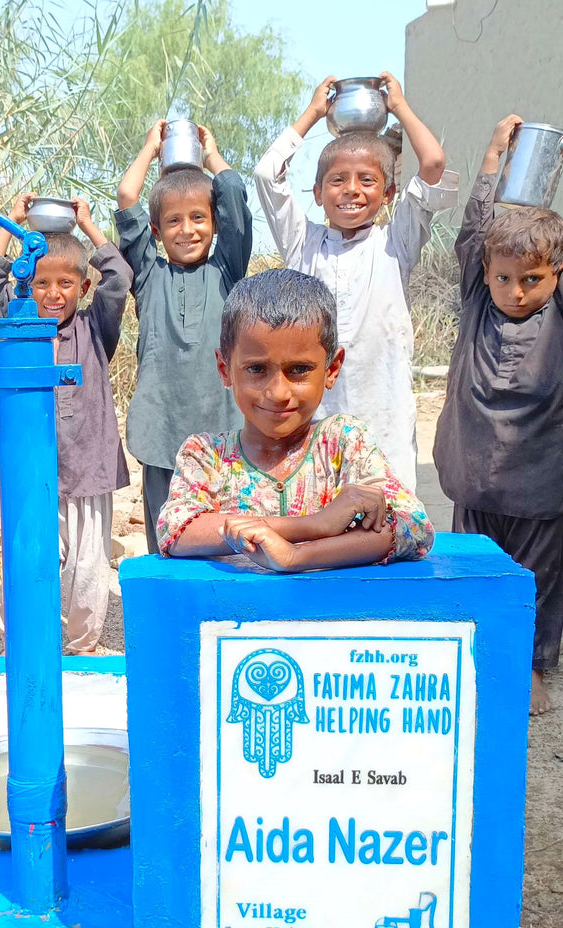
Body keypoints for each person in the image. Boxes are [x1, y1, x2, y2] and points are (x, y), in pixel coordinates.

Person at [434, 116, 563, 717]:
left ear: (558, 276)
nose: (518, 290)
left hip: (536, 480)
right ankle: (475, 653)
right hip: (475, 473)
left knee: (534, 575)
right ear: (484, 274)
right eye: (504, 277)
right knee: (472, 567)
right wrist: (494, 151)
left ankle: (528, 666)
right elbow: (478, 224)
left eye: (533, 278)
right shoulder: (478, 298)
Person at [254, 72, 457, 490]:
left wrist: (398, 107)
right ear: (317, 191)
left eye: (367, 180)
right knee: (321, 521)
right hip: (315, 419)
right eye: (337, 180)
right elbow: (266, 173)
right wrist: (313, 113)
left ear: (388, 194)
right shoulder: (304, 244)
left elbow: (434, 165)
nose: (351, 190)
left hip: (383, 416)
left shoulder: (394, 243)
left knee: (385, 523)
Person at [158, 269, 434, 571]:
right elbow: (176, 529)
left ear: (331, 369)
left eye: (299, 369)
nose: (278, 393)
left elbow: (413, 526)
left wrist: (295, 558)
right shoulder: (207, 455)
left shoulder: (343, 443)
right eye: (256, 370)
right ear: (225, 369)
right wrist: (316, 525)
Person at [0, 195, 132, 653]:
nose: (53, 293)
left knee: (88, 569)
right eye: (41, 281)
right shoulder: (17, 324)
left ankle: (82, 645)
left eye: (65, 282)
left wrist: (87, 225)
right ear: (26, 284)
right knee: (29, 560)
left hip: (88, 471)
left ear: (82, 287)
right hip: (32, 473)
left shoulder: (94, 329)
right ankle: (26, 644)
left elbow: (120, 277)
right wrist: (12, 220)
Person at [115, 119, 252, 551]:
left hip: (222, 434)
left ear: (214, 225)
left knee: (223, 541)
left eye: (198, 218)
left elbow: (231, 194)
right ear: (156, 232)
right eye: (173, 221)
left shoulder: (227, 272)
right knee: (166, 541)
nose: (187, 230)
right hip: (162, 433)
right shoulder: (148, 276)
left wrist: (210, 154)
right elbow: (127, 199)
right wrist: (150, 149)